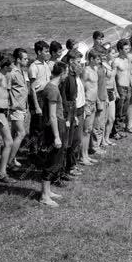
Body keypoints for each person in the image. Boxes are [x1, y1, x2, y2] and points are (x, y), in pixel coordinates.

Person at [39, 61, 68, 206]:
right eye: (66, 72)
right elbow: (52, 116)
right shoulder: (52, 90)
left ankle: (48, 191)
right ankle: (44, 196)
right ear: (62, 73)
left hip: (58, 125)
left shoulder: (53, 87)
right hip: (53, 128)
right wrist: (56, 136)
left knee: (56, 159)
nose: (67, 75)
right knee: (52, 160)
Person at [60, 49, 83, 178]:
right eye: (78, 62)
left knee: (74, 141)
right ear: (71, 61)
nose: (81, 64)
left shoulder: (74, 75)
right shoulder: (67, 77)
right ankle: (64, 169)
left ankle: (70, 166)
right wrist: (69, 116)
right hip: (68, 112)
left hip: (74, 111)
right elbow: (64, 97)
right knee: (67, 143)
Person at [7, 48, 30, 170]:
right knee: (21, 133)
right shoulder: (12, 73)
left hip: (22, 108)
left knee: (14, 134)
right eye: (25, 58)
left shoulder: (22, 71)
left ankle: (11, 158)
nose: (27, 60)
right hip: (15, 109)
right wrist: (10, 106)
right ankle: (9, 162)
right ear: (18, 59)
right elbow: (7, 90)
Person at [28, 40, 51, 158]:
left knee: (44, 124)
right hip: (37, 97)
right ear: (39, 52)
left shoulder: (46, 64)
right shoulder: (33, 67)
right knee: (37, 126)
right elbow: (32, 89)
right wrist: (37, 106)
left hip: (46, 96)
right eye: (46, 51)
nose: (48, 53)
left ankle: (42, 148)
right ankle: (33, 151)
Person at [80, 50, 100, 165]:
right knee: (85, 131)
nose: (99, 61)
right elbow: (81, 88)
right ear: (91, 59)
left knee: (89, 130)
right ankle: (82, 156)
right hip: (87, 103)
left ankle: (86, 154)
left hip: (93, 102)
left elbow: (95, 87)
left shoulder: (95, 69)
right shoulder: (86, 71)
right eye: (97, 59)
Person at [113, 38, 131, 133]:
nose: (128, 51)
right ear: (120, 50)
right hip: (120, 88)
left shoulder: (127, 59)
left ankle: (120, 129)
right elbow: (113, 77)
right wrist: (116, 91)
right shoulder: (116, 61)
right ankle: (115, 131)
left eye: (128, 49)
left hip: (127, 87)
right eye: (126, 49)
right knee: (118, 111)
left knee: (124, 110)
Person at [103, 45, 119, 145]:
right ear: (107, 54)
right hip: (105, 92)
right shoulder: (103, 65)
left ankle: (107, 137)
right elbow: (103, 81)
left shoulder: (113, 65)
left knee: (112, 118)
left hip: (112, 91)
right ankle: (103, 140)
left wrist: (116, 91)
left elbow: (113, 79)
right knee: (105, 119)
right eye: (112, 53)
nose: (114, 55)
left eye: (114, 53)